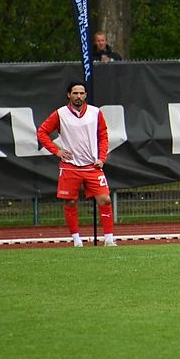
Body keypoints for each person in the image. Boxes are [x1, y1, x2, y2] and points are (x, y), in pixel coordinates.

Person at [36, 81, 116, 247]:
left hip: (93, 166)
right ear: (69, 95)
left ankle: (109, 239)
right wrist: (56, 151)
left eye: (81, 93)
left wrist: (102, 158)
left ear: (86, 95)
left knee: (105, 199)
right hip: (70, 166)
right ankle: (76, 240)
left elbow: (103, 135)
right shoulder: (60, 114)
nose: (78, 96)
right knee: (70, 202)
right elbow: (42, 132)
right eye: (75, 93)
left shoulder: (95, 112)